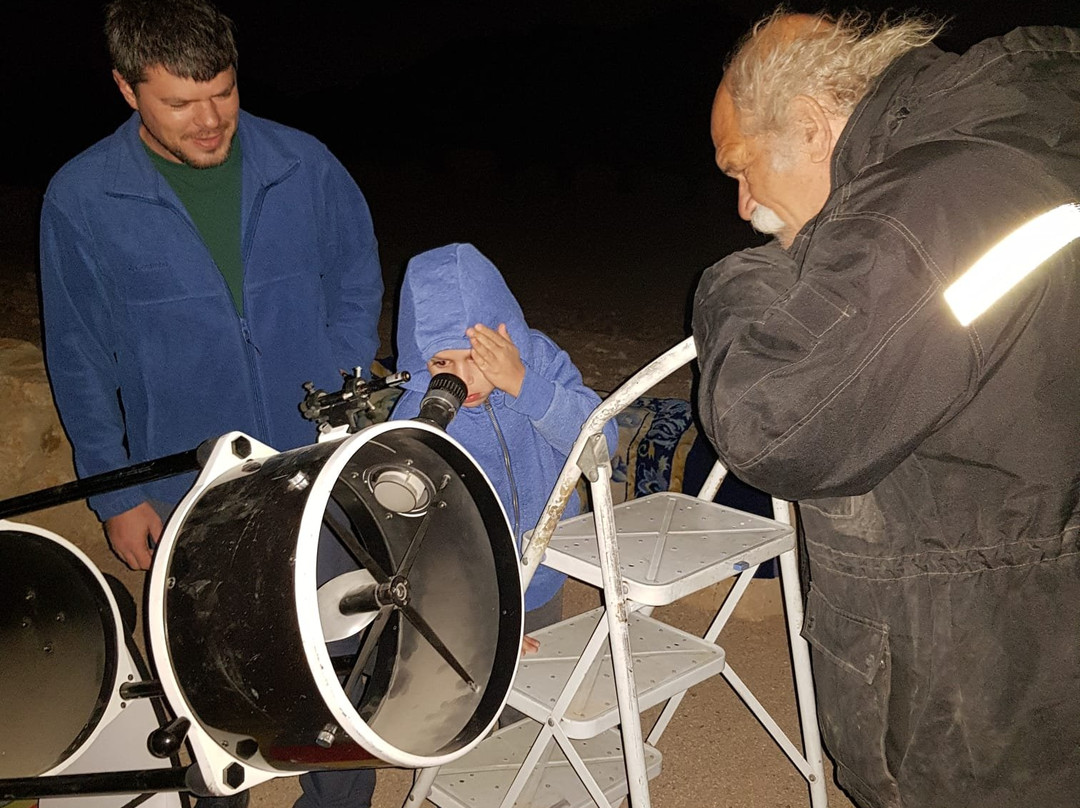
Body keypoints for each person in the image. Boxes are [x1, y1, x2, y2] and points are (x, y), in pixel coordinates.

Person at [692, 8, 1080, 808]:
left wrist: (740, 282)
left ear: (808, 126)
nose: (743, 204)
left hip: (979, 703)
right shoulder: (1033, 137)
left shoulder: (925, 208)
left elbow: (777, 426)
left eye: (741, 169)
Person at [38, 1, 383, 807]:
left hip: (311, 465)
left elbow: (356, 274)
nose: (209, 120)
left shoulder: (304, 163)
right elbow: (81, 355)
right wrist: (117, 495)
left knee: (337, 667)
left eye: (222, 92)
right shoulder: (82, 196)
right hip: (186, 482)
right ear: (127, 90)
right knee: (205, 683)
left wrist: (339, 376)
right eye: (179, 102)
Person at [391, 242, 618, 669]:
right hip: (466, 594)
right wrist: (476, 619)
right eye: (441, 362)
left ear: (506, 335)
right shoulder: (422, 413)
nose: (463, 379)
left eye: (479, 357)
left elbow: (605, 442)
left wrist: (524, 385)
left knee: (533, 688)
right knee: (472, 685)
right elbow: (410, 534)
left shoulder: (539, 361)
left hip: (546, 571)